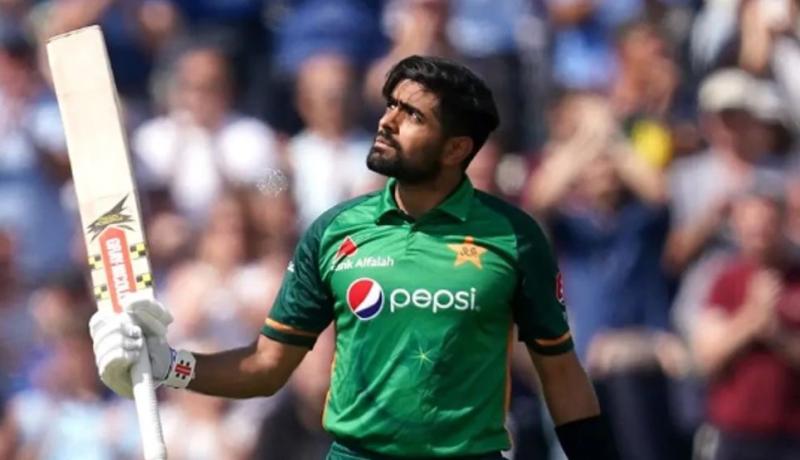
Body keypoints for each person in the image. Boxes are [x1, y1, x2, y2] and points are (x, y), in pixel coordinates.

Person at [88, 55, 616, 460]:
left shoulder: (514, 236)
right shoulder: (330, 223)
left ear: (457, 148)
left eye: (412, 115)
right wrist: (168, 365)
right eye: (390, 105)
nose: (387, 121)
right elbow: (266, 367)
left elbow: (561, 375)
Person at [692, 179, 800, 460]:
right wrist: (752, 319)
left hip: (791, 434)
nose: (759, 233)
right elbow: (706, 357)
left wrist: (777, 334)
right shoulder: (724, 281)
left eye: (767, 223)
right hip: (734, 433)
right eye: (751, 225)